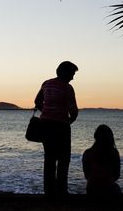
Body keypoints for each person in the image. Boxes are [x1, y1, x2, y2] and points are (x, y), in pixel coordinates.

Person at [34, 61, 79, 195]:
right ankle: (61, 191)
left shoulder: (46, 83)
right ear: (66, 73)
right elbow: (73, 110)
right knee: (64, 159)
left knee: (49, 159)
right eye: (72, 74)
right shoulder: (67, 88)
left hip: (45, 125)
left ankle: (49, 191)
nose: (73, 77)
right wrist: (70, 120)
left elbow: (37, 101)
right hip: (61, 127)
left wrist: (46, 112)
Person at [82, 124, 121, 195]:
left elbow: (86, 175)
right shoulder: (114, 153)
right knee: (117, 188)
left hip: (92, 188)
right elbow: (117, 175)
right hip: (109, 188)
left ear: (95, 137)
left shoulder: (87, 153)